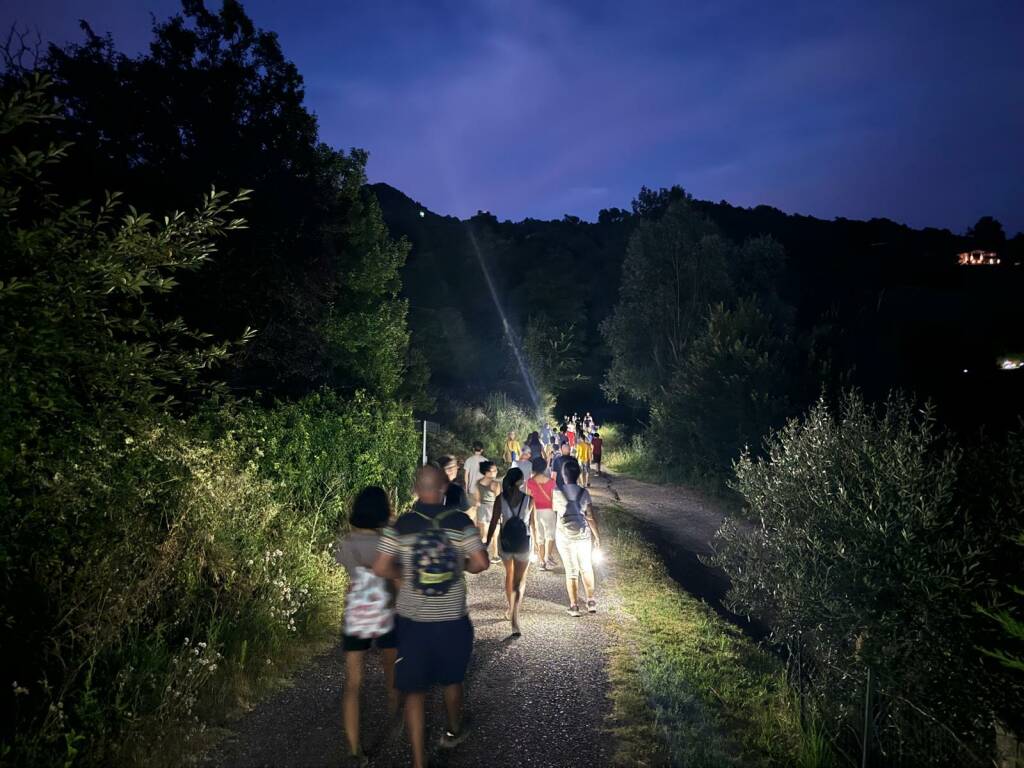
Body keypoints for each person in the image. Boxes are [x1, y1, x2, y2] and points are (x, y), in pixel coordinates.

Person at [373, 466, 489, 768]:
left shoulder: (399, 526)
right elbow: (480, 562)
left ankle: (418, 762)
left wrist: (407, 573)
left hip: (412, 621)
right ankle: (452, 730)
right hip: (452, 618)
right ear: (443, 488)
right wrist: (455, 565)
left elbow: (382, 568)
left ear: (416, 489)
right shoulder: (460, 522)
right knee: (452, 680)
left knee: (414, 690)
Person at [336, 487, 398, 763]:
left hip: (355, 612)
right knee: (392, 673)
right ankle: (397, 721)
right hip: (385, 611)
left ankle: (353, 749)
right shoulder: (387, 541)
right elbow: (397, 579)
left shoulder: (345, 542)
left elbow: (350, 577)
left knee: (353, 683)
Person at [485, 467, 536, 636]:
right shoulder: (529, 500)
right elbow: (532, 525)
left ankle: (510, 608)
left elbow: (493, 522)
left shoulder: (501, 499)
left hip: (505, 542)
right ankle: (515, 617)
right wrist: (538, 545)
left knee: (509, 574)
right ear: (521, 482)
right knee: (519, 581)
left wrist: (486, 542)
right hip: (523, 543)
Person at [553, 459, 601, 617]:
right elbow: (590, 517)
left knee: (571, 571)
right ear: (578, 475)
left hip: (564, 537)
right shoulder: (584, 493)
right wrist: (597, 537)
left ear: (563, 475)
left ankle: (574, 606)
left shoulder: (557, 493)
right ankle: (591, 601)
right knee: (586, 567)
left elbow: (555, 512)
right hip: (583, 536)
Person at [526, 456, 558, 570]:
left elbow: (529, 498)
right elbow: (554, 498)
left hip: (536, 512)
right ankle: (548, 557)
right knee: (550, 535)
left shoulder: (530, 482)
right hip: (549, 511)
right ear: (545, 468)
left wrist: (528, 513)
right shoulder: (551, 482)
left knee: (539, 537)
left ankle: (541, 562)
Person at [472, 461, 502, 562]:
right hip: (493, 508)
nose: (496, 472)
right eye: (493, 470)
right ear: (487, 472)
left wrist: (476, 515)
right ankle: (495, 555)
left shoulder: (478, 483)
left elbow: (477, 500)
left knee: (483, 536)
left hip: (482, 510)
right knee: (494, 534)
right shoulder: (495, 484)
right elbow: (498, 499)